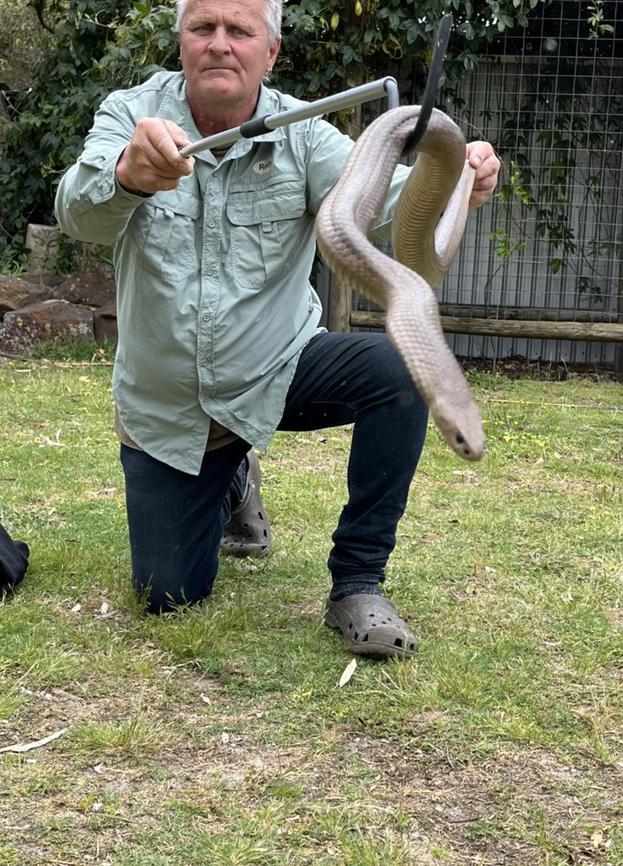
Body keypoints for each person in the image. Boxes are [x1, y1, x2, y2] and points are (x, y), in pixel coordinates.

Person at [55, 0, 500, 659]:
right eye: (202, 28)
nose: (219, 44)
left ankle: (357, 582)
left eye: (240, 31)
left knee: (398, 368)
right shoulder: (131, 114)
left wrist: (459, 178)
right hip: (170, 407)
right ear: (181, 44)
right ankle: (234, 479)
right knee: (169, 595)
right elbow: (76, 214)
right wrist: (128, 175)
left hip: (277, 367)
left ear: (271, 53)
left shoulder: (306, 135)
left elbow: (386, 214)